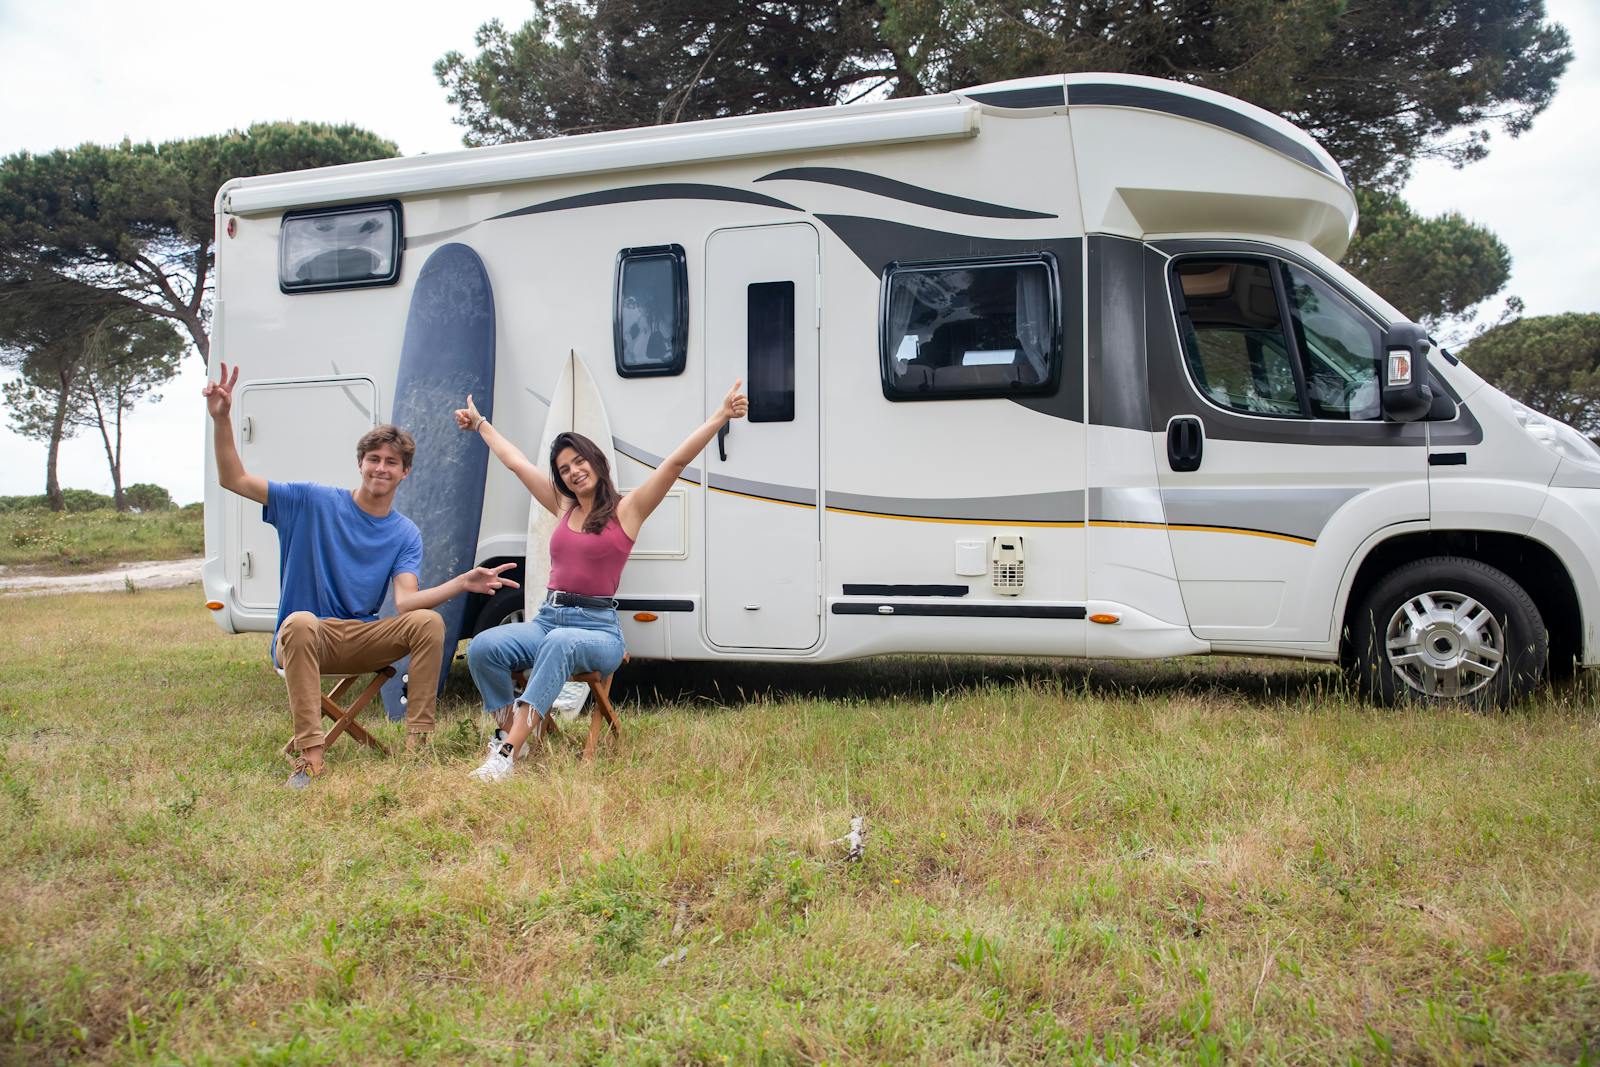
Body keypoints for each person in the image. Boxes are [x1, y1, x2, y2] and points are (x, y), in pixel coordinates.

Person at [205, 362, 519, 788]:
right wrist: (222, 418)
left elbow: (406, 602)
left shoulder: (404, 532)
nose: (381, 468)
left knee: (428, 621)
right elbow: (233, 478)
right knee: (298, 622)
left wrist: (463, 582)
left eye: (392, 462)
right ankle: (311, 760)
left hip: (360, 638)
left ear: (405, 473)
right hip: (305, 638)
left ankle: (417, 749)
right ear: (360, 463)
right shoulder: (310, 501)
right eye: (374, 459)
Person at [456, 379, 749, 782]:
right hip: (548, 620)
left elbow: (675, 464)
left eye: (579, 461)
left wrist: (721, 416)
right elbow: (517, 463)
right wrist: (481, 425)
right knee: (483, 647)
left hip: (597, 631)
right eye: (564, 469)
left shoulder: (628, 511)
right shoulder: (562, 506)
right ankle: (508, 730)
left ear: (595, 461)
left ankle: (509, 752)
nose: (573, 472)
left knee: (560, 644)